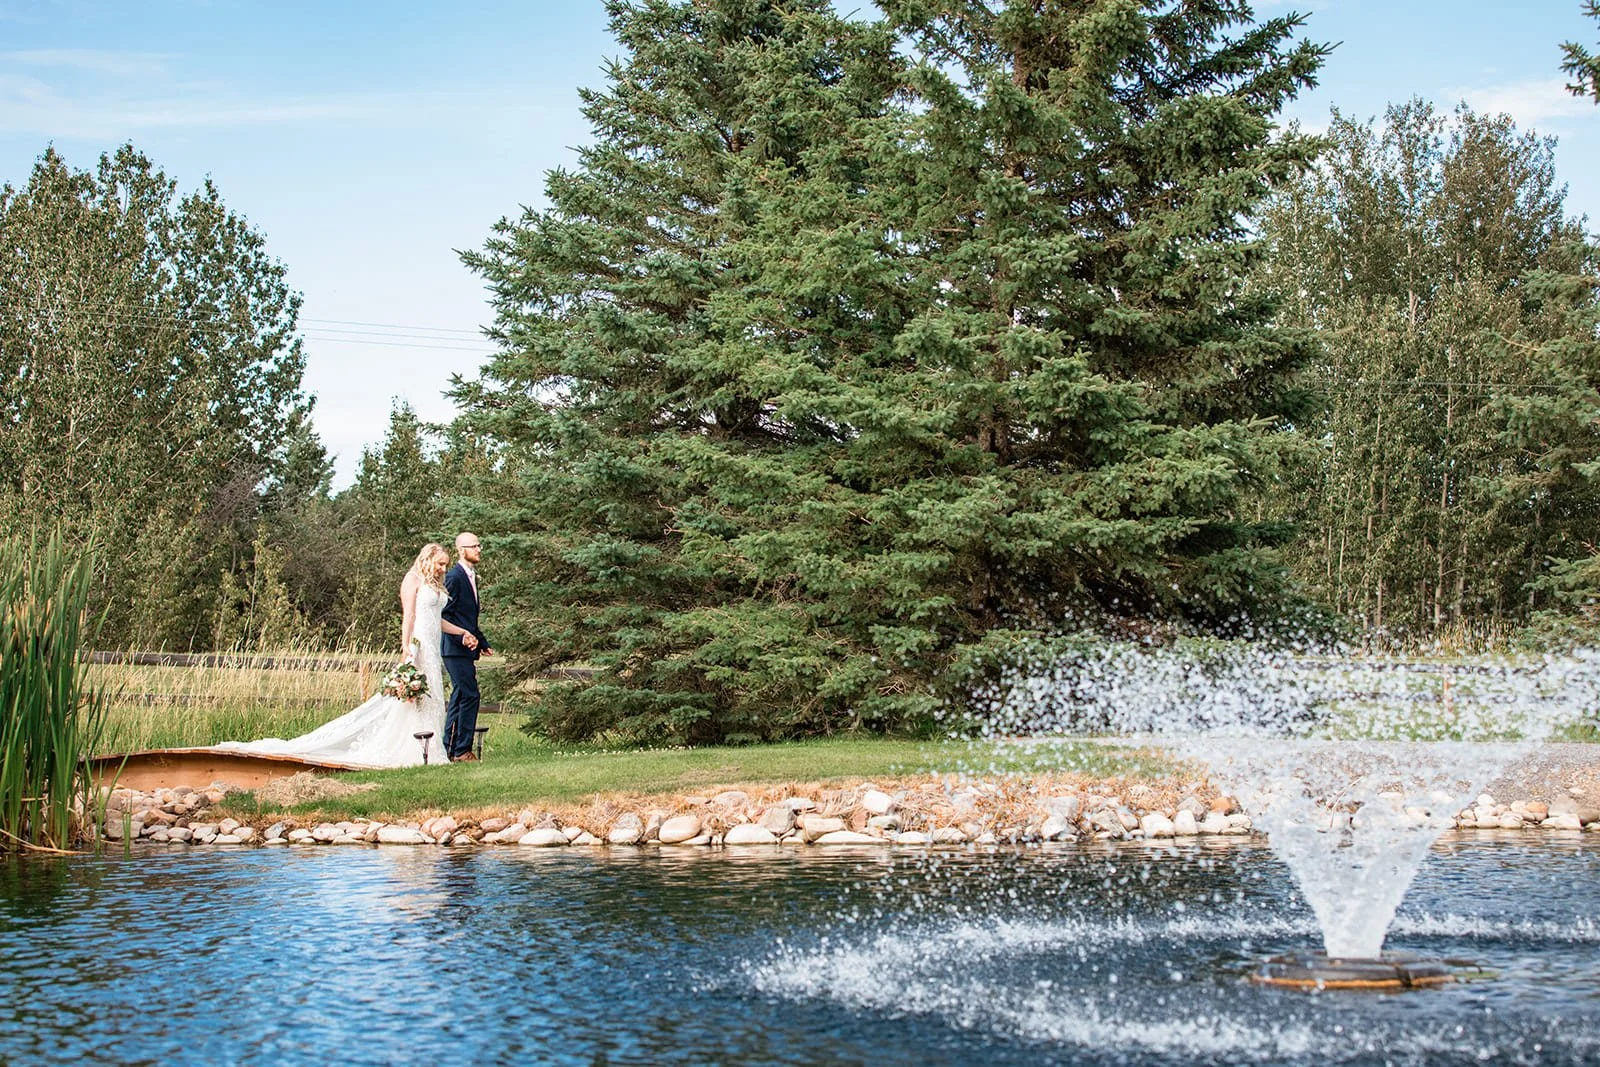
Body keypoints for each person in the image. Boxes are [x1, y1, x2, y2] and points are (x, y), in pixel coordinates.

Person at [214, 543, 475, 767]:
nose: (443, 569)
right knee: (413, 699)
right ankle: (413, 750)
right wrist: (406, 646)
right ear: (428, 559)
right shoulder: (412, 579)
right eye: (440, 564)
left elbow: (436, 618)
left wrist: (461, 631)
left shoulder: (434, 584)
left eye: (445, 565)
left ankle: (430, 751)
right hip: (420, 646)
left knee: (433, 698)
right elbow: (410, 615)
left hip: (433, 647)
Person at [441, 532, 491, 762]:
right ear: (462, 550)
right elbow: (445, 616)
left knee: (461, 695)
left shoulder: (471, 576)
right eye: (475, 546)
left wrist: (481, 642)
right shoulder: (454, 577)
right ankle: (461, 749)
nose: (479, 549)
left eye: (479, 545)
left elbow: (468, 617)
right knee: (470, 694)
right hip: (453, 648)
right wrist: (462, 637)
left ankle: (451, 748)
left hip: (466, 648)